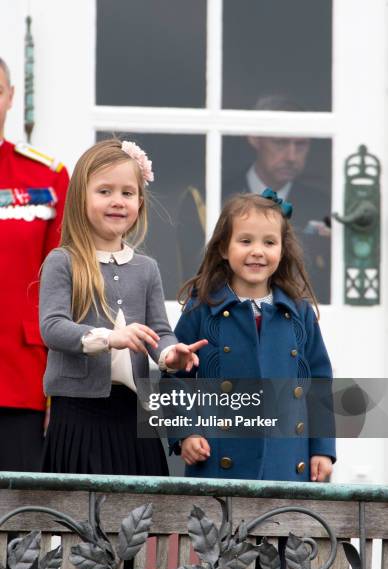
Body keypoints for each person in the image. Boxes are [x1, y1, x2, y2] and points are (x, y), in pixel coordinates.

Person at [39, 138, 207, 475]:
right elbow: (52, 327)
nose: (117, 201)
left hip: (133, 413)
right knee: (83, 517)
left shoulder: (146, 268)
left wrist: (168, 355)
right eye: (105, 191)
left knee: (139, 515)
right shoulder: (63, 261)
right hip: (77, 412)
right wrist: (108, 338)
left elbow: (159, 332)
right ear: (80, 199)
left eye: (127, 193)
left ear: (140, 203)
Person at [170, 190, 336, 481]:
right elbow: (174, 376)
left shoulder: (300, 314)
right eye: (245, 241)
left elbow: (320, 385)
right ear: (223, 248)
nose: (258, 251)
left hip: (286, 465)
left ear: (282, 249)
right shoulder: (201, 309)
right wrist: (186, 432)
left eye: (269, 242)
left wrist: (322, 449)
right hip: (217, 466)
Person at [0, 57, 69, 471]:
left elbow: (61, 289)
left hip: (21, 378)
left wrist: (57, 390)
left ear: (8, 98)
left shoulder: (45, 179)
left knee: (19, 520)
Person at [223, 94, 331, 303]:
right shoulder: (211, 198)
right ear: (255, 138)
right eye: (280, 143)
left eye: (300, 145)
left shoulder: (323, 204)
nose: (291, 156)